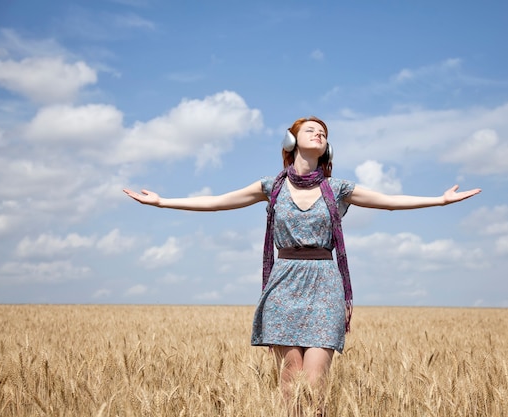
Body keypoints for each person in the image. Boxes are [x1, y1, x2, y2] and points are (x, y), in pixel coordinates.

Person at [123, 116, 481, 415]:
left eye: (323, 132)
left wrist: (440, 201)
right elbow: (218, 202)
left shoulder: (337, 188)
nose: (319, 133)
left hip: (325, 283)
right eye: (311, 129)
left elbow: (388, 202)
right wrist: (162, 202)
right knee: (289, 381)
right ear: (291, 140)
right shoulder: (271, 186)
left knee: (314, 383)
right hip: (283, 284)